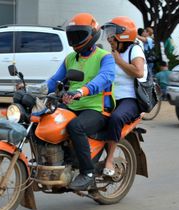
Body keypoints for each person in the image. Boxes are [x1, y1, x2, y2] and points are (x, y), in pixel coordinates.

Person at [45, 13, 115, 190]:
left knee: (76, 127)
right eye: (72, 35)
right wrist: (34, 90)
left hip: (97, 109)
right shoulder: (70, 58)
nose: (75, 39)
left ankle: (88, 173)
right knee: (45, 119)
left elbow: (105, 78)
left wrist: (82, 91)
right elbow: (54, 81)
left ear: (92, 34)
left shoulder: (104, 57)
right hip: (72, 105)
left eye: (79, 35)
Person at [101, 16, 145, 177]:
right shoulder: (112, 53)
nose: (109, 38)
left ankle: (110, 160)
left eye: (112, 34)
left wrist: (119, 61)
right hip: (110, 98)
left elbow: (139, 72)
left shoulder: (134, 50)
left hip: (130, 99)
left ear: (123, 35)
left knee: (115, 119)